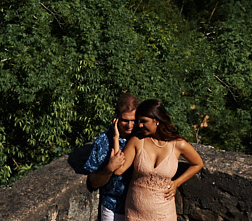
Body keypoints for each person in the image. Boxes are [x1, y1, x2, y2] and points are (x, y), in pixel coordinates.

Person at [109, 99, 204, 221]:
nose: (140, 125)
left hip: (164, 213)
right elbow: (118, 170)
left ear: (157, 120)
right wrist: (116, 138)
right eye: (140, 121)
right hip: (135, 213)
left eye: (144, 121)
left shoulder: (178, 144)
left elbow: (197, 164)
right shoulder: (137, 141)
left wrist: (176, 183)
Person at [83, 92, 139, 221]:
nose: (130, 125)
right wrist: (109, 168)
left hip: (139, 207)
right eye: (125, 120)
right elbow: (93, 182)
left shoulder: (144, 137)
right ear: (116, 118)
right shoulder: (103, 142)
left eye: (133, 121)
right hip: (113, 208)